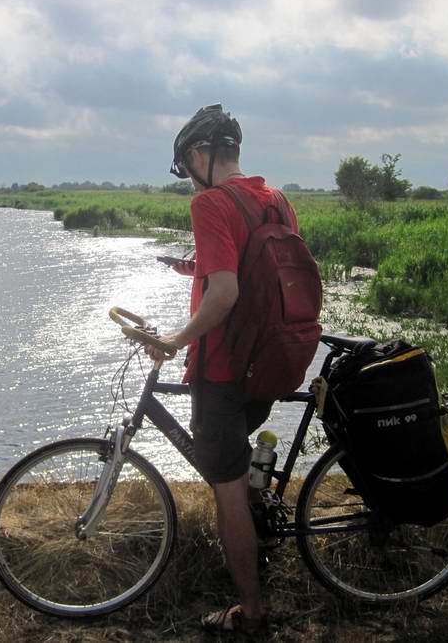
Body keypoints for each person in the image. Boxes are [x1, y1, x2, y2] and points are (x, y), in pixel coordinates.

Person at [146, 104, 301, 635]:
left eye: (186, 165)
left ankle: (251, 614)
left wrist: (173, 339)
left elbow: (227, 293)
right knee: (239, 466)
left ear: (196, 155)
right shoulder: (275, 199)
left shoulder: (210, 202)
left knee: (227, 487)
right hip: (269, 365)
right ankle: (256, 536)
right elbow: (260, 272)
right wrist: (191, 267)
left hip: (224, 370)